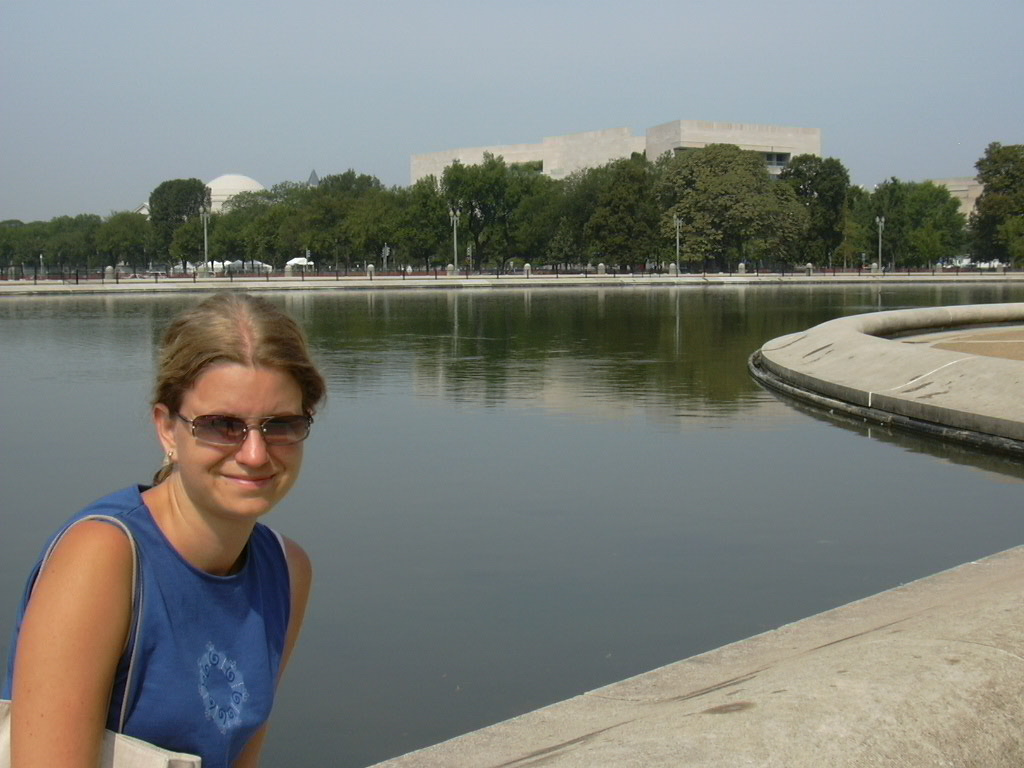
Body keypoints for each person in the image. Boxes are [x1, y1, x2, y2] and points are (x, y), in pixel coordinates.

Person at [3, 292, 326, 767]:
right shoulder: (104, 557)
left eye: (279, 424)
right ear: (167, 429)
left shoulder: (287, 568)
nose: (255, 453)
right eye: (222, 425)